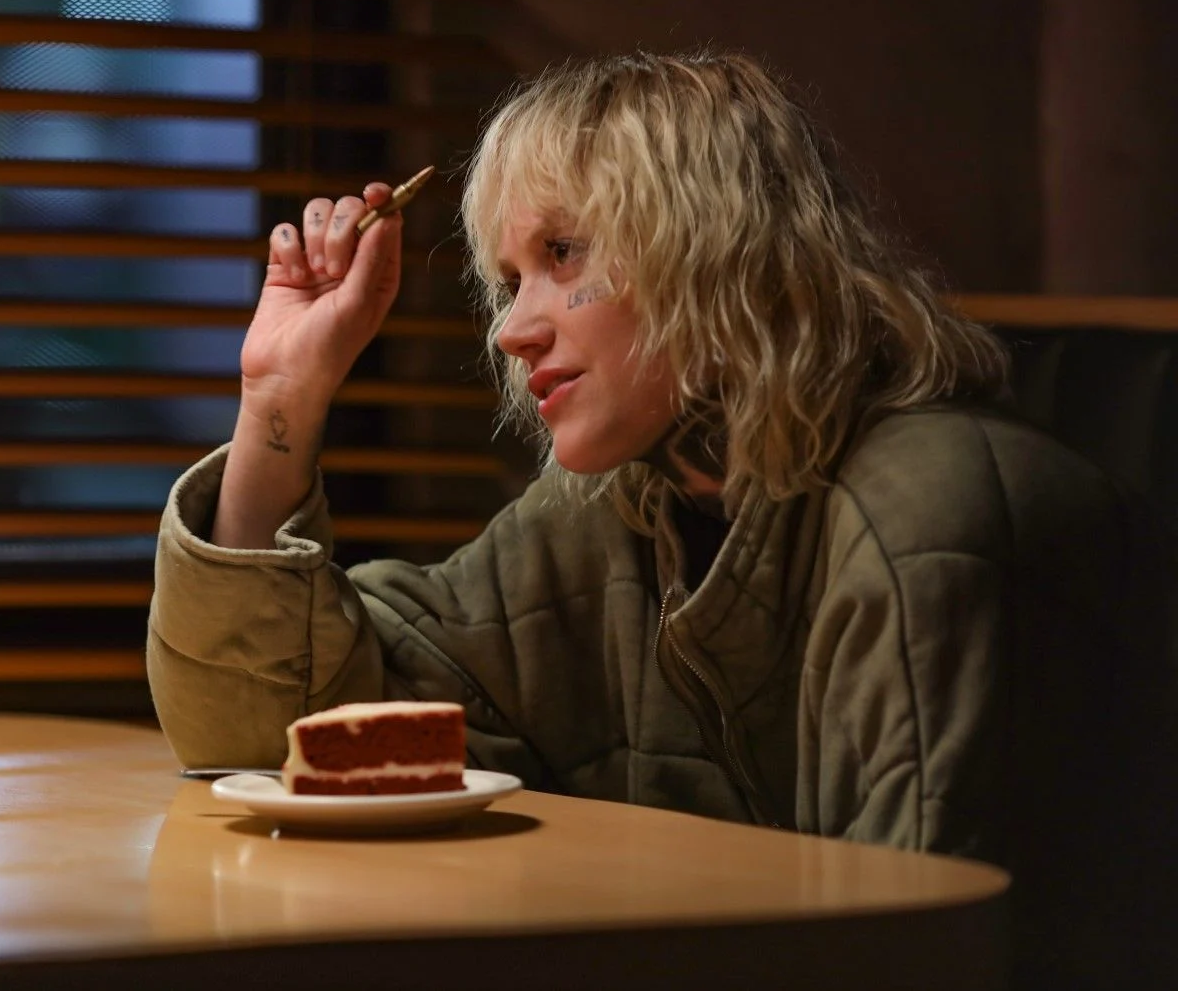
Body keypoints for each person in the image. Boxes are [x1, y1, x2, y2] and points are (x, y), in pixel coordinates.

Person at [146, 51, 1177, 986]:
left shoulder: (929, 519)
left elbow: (917, 948)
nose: (511, 328)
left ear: (715, 245)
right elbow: (279, 735)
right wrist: (281, 397)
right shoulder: (619, 506)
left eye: (563, 252)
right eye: (509, 280)